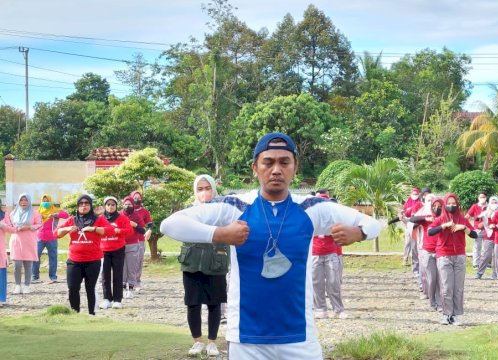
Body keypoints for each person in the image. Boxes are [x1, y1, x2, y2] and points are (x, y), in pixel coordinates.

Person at [160, 132, 381, 359]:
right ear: (255, 168)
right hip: (246, 337)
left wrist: (358, 232)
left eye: (284, 162)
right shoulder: (234, 206)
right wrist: (220, 234)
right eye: (268, 162)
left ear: (295, 168)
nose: (276, 170)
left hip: (299, 336)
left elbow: (372, 224)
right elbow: (170, 225)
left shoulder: (312, 207)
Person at [172, 175, 227, 356]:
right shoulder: (188, 211)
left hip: (215, 261)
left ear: (213, 189)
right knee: (193, 303)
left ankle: (212, 342)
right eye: (200, 189)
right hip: (192, 262)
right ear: (195, 191)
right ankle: (197, 341)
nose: (204, 192)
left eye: (207, 188)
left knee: (214, 303)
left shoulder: (223, 211)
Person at [56, 195, 113, 315]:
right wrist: (68, 228)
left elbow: (108, 230)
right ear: (77, 206)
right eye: (81, 203)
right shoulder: (72, 219)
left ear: (90, 205)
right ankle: (75, 314)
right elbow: (57, 233)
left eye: (86, 203)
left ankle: (91, 314)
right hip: (74, 260)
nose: (84, 205)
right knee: (72, 288)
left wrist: (94, 229)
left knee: (90, 289)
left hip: (93, 260)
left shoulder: (98, 219)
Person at [428, 193, 477, 326]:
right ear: (445, 205)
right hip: (444, 256)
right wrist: (443, 226)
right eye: (448, 203)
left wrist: (464, 228)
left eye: (453, 203)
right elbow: (430, 231)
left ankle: (456, 315)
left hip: (460, 256)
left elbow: (474, 234)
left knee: (458, 287)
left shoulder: (462, 219)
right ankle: (446, 314)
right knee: (446, 286)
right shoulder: (440, 219)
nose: (451, 206)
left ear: (457, 204)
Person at [312, 191, 347, 320]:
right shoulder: (311, 216)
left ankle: (338, 309)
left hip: (331, 252)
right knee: (317, 282)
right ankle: (320, 309)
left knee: (334, 282)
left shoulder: (333, 217)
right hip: (315, 253)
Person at [2, 194, 42, 294]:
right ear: (18, 202)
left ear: (29, 201)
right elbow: (9, 226)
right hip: (16, 241)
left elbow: (39, 225)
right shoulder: (13, 213)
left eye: (25, 200)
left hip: (29, 241)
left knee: (28, 265)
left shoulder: (34, 213)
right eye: (21, 200)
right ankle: (17, 286)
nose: (23, 202)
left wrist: (28, 227)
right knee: (17, 265)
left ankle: (27, 286)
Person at [99, 196, 133, 310]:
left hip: (118, 249)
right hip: (103, 250)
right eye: (108, 204)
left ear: (116, 206)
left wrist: (120, 231)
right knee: (105, 276)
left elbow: (130, 231)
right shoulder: (100, 218)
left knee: (118, 275)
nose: (110, 206)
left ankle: (117, 300)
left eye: (113, 204)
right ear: (105, 206)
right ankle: (107, 299)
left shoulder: (122, 218)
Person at [411, 196, 442, 311]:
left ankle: (439, 303)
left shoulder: (444, 219)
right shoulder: (427, 218)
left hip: (441, 252)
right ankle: (432, 302)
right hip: (427, 252)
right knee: (432, 278)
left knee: (440, 279)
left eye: (439, 206)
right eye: (434, 206)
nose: (437, 208)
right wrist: (425, 220)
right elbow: (412, 219)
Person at [32, 194, 69, 284]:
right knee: (36, 257)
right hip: (39, 238)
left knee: (53, 257)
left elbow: (66, 215)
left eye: (47, 201)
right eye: (44, 201)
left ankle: (53, 276)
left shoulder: (54, 211)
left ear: (50, 201)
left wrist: (55, 214)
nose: (45, 203)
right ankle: (35, 276)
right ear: (41, 202)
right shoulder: (37, 212)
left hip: (52, 238)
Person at [122, 196, 145, 298]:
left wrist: (135, 225)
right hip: (120, 245)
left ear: (133, 205)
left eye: (129, 204)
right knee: (122, 268)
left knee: (132, 268)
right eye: (126, 204)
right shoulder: (119, 215)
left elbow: (143, 230)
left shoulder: (137, 216)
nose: (127, 206)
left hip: (133, 245)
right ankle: (122, 288)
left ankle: (131, 288)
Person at [130, 191, 153, 292]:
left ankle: (137, 282)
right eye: (135, 198)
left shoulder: (144, 211)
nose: (137, 199)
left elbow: (150, 225)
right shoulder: (125, 211)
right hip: (127, 240)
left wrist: (149, 231)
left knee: (138, 261)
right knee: (128, 262)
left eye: (139, 198)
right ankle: (127, 282)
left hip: (140, 240)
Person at [400, 187, 422, 275]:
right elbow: (403, 211)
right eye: (413, 194)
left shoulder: (420, 203)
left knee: (415, 244)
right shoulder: (408, 202)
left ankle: (416, 261)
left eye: (416, 194)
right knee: (407, 242)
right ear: (410, 194)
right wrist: (402, 217)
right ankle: (405, 259)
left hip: (416, 224)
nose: (415, 196)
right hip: (408, 223)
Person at [476, 196, 498, 279]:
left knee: (497, 256)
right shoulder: (486, 212)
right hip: (488, 235)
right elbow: (477, 218)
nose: (494, 204)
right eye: (492, 202)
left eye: (495, 202)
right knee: (486, 255)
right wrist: (480, 220)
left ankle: (495, 273)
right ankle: (479, 272)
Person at [466, 191, 488, 269]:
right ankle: (476, 264)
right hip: (477, 230)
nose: (482, 199)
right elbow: (467, 216)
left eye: (483, 197)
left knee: (487, 248)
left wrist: (484, 223)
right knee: (477, 247)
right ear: (478, 198)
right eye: (480, 197)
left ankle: (487, 263)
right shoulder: (475, 206)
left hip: (487, 230)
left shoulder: (489, 207)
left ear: (486, 198)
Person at [0, 216, 6, 306]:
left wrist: (2, 225)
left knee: (1, 275)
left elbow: (13, 229)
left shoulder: (4, 215)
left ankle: (1, 299)